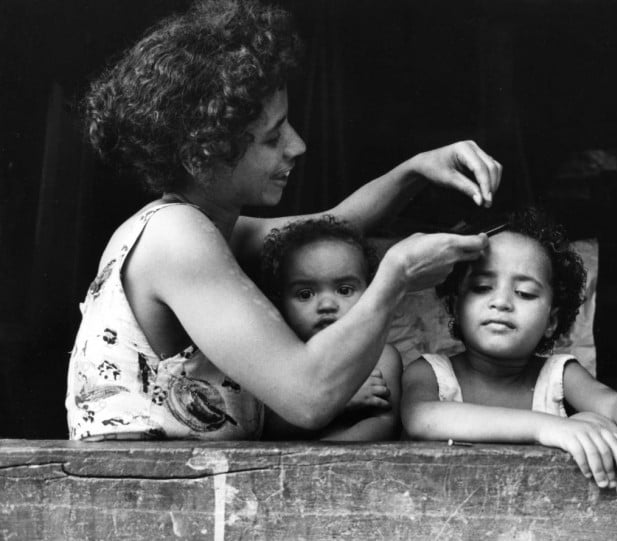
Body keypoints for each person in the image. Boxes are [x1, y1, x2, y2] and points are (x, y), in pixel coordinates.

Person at [65, 0, 502, 441]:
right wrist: (397, 276)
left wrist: (415, 170)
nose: (297, 145)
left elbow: (335, 225)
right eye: (273, 137)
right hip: (137, 501)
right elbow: (307, 396)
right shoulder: (176, 239)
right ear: (202, 155)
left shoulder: (203, 227)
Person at [401, 207, 617, 526]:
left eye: (525, 293)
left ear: (552, 321)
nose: (501, 301)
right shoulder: (429, 373)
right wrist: (550, 428)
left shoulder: (559, 375)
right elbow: (422, 418)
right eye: (481, 287)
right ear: (455, 305)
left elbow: (615, 403)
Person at [258, 215, 401, 441]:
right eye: (305, 294)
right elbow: (264, 427)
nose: (327, 305)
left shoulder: (380, 356)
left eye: (344, 290)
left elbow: (384, 423)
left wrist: (324, 458)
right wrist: (339, 403)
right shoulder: (279, 357)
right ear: (279, 301)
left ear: (370, 292)